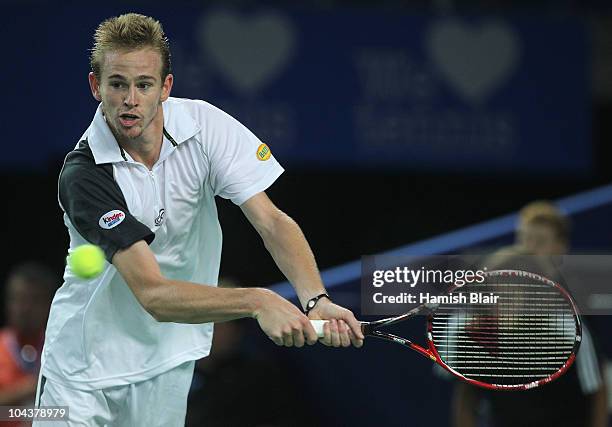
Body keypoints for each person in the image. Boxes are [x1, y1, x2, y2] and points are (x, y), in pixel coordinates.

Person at [35, 13, 364, 426]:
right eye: (117, 84)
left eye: (144, 84)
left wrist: (317, 300)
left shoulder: (205, 126)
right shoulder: (85, 174)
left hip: (169, 359)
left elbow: (271, 221)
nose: (130, 100)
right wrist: (257, 301)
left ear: (166, 87)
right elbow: (153, 294)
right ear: (95, 86)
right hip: (81, 374)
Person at [452, 201, 608, 427]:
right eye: (525, 238)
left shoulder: (573, 318)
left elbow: (597, 389)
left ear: (561, 247)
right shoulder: (482, 317)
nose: (530, 247)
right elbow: (466, 394)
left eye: (540, 241)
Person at [0, 262, 56, 427]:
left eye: (34, 300)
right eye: (17, 299)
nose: (24, 308)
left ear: (50, 304)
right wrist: (31, 387)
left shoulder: (60, 349)